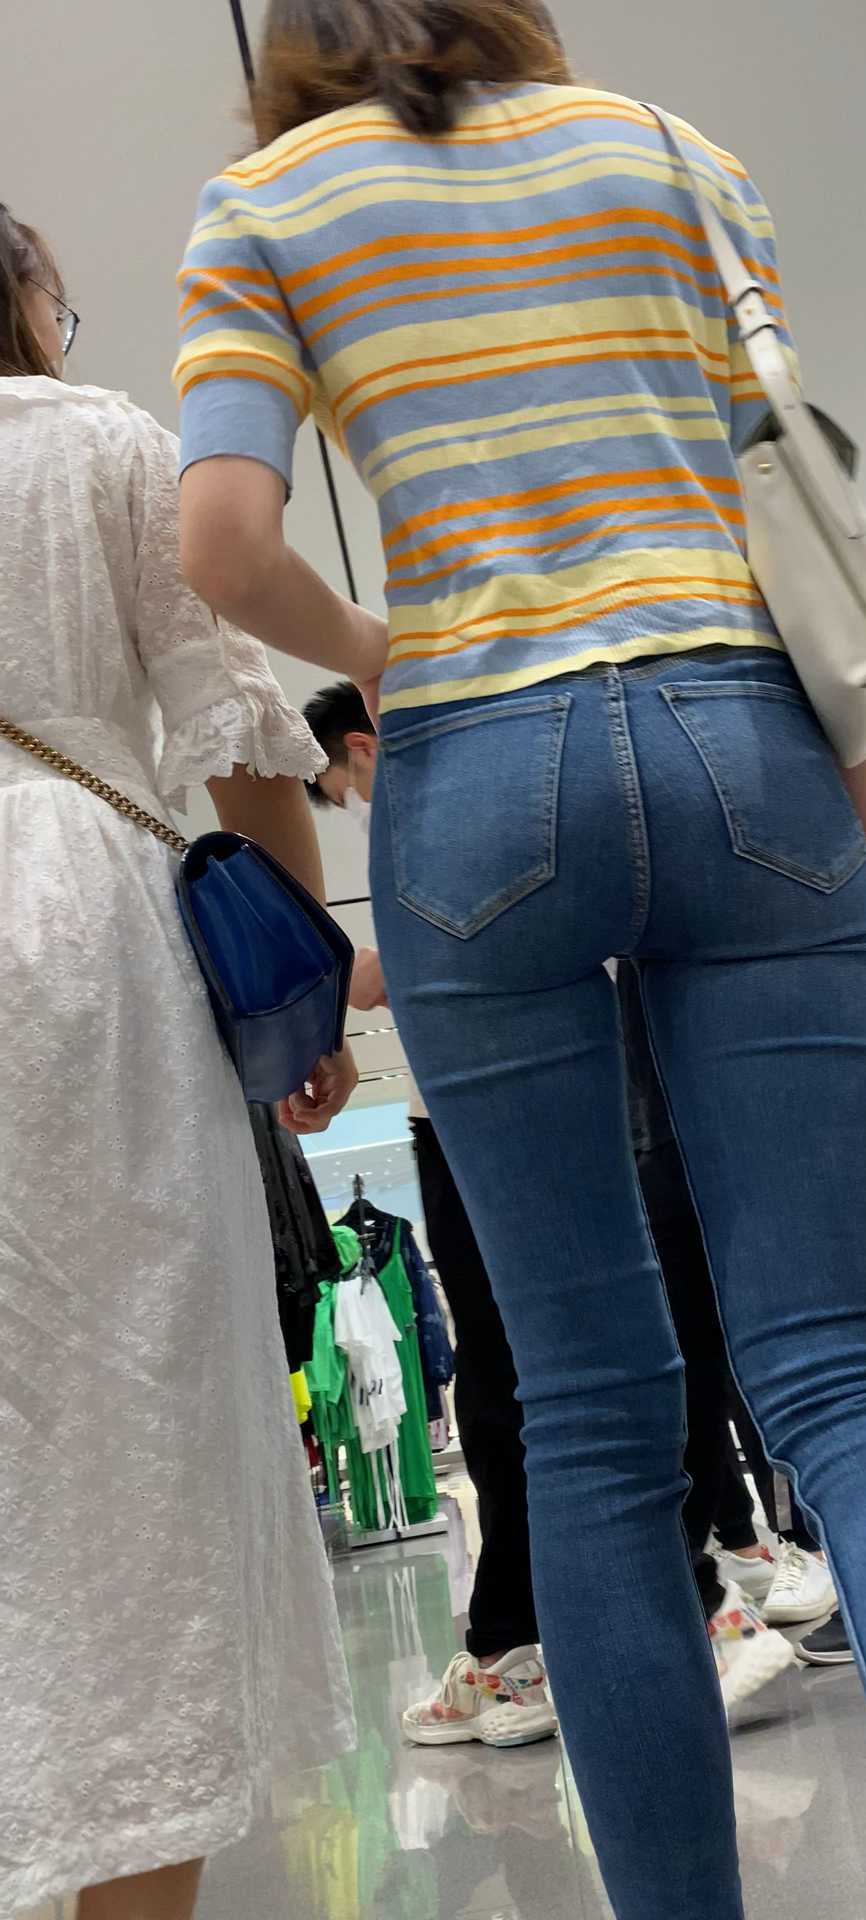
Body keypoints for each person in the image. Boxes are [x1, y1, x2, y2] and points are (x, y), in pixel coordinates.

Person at [174, 8, 866, 1915]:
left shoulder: (266, 205)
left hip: (478, 791)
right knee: (842, 1384)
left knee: (590, 1418)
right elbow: (792, 524)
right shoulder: (672, 154)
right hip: (747, 741)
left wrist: (393, 647)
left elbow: (224, 544)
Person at [0, 208, 361, 1920]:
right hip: (80, 949)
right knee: (132, 1439)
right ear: (24, 303)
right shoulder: (96, 447)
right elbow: (231, 731)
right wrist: (307, 992)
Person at [304, 681, 797, 1734]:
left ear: (362, 745)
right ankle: (545, 1633)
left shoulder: (456, 799)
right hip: (500, 1095)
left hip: (511, 1094)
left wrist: (361, 975)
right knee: (529, 1372)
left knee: (559, 1369)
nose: (357, 808)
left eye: (346, 788)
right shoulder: (506, 775)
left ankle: (682, 1612)